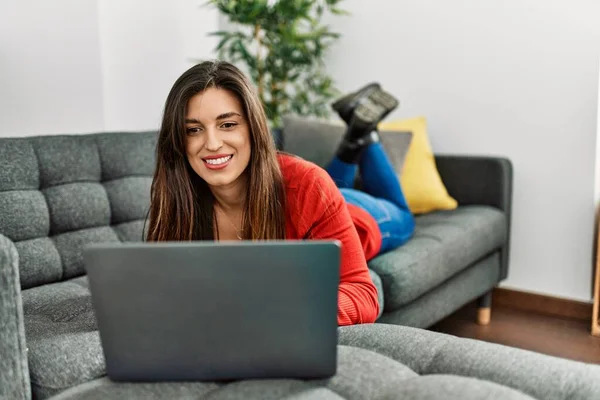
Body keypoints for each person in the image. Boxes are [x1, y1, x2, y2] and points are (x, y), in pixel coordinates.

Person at [146, 60, 414, 326]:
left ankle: (363, 137)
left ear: (253, 128)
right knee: (331, 187)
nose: (213, 143)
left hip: (358, 217)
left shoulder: (309, 186)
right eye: (193, 130)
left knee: (403, 215)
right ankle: (354, 138)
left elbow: (363, 294)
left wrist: (283, 310)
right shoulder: (176, 198)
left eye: (228, 124)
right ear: (178, 142)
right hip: (319, 194)